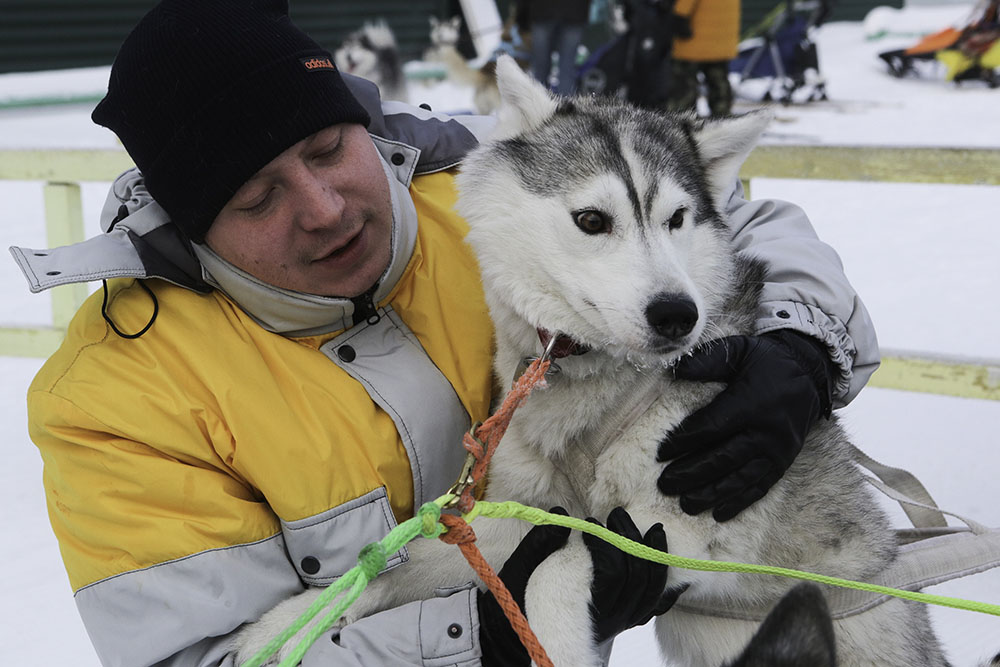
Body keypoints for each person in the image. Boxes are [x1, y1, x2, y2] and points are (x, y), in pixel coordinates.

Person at [16, 0, 878, 665]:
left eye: (324, 150)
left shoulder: (482, 184)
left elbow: (729, 219)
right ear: (196, 226)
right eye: (258, 198)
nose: (323, 211)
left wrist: (801, 347)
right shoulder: (116, 397)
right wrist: (487, 640)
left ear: (361, 120)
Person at [667, 0, 740, 116]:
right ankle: (723, 119)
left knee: (684, 85)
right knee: (719, 83)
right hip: (722, 34)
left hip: (694, 35)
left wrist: (680, 13)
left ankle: (683, 120)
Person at [528, 0, 593, 94]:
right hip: (575, 11)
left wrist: (522, 17)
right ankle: (566, 106)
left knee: (540, 72)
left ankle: (538, 106)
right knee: (567, 70)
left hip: (543, 11)